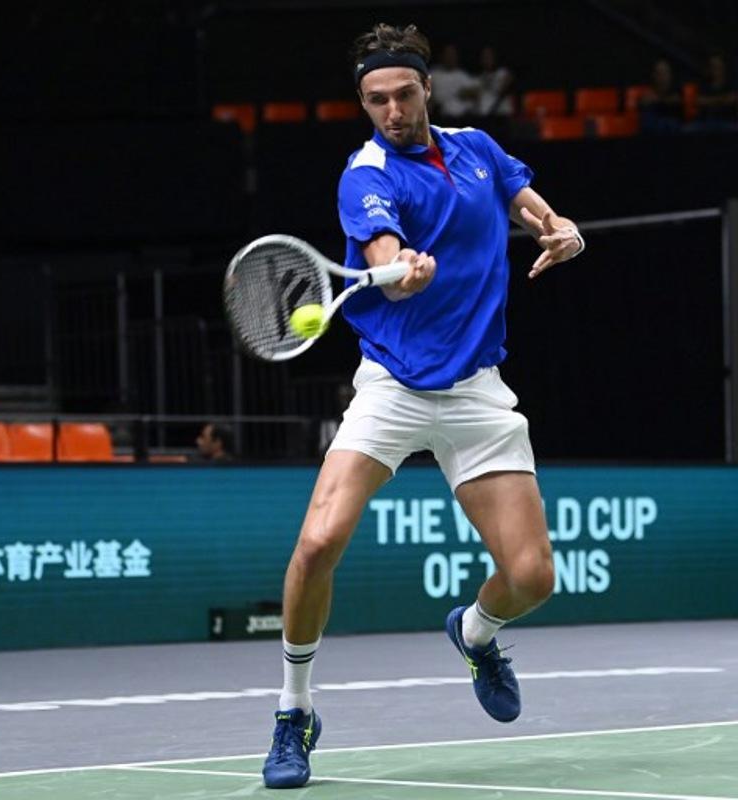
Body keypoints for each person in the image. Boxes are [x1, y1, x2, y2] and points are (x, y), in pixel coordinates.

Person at [260, 22, 584, 790]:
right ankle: (293, 711)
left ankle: (476, 633)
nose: (392, 111)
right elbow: (380, 252)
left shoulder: (478, 149)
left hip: (476, 391)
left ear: (426, 88)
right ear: (363, 102)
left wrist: (560, 230)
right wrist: (399, 269)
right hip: (394, 389)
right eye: (376, 100)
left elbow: (535, 210)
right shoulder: (365, 173)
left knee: (533, 577)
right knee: (317, 542)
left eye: (404, 94)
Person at [428, 43, 480, 120]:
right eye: (447, 54)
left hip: (462, 117)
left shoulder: (463, 75)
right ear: (442, 56)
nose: (450, 57)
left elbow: (475, 93)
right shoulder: (434, 74)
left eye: (452, 54)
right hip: (439, 115)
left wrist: (465, 93)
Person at [637, 59, 684, 134]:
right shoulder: (646, 94)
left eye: (665, 73)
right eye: (659, 73)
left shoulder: (678, 92)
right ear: (653, 75)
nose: (662, 77)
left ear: (670, 75)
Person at [475, 45, 514, 116]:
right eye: (484, 57)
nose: (487, 59)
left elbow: (504, 89)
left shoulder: (503, 73)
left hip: (502, 113)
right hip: (485, 115)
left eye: (489, 56)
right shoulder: (479, 78)